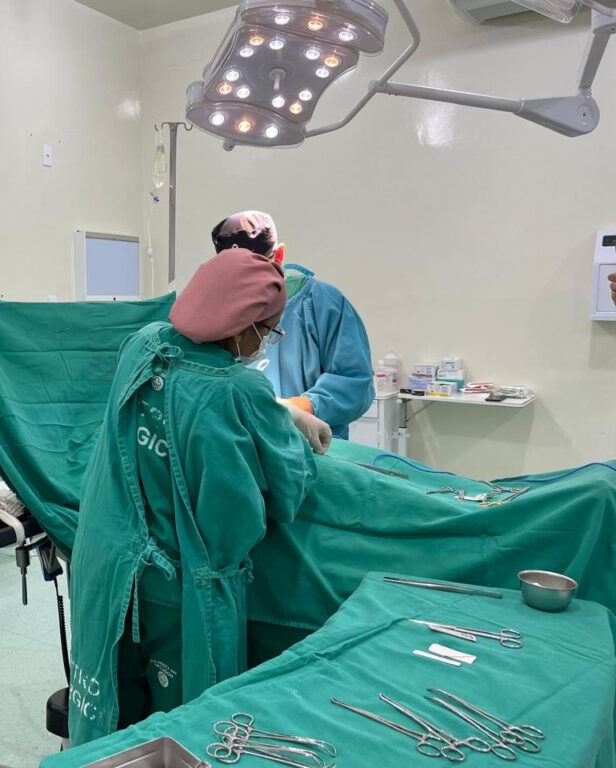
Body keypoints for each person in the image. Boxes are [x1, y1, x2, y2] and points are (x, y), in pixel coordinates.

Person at [66, 248, 317, 746]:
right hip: (177, 588)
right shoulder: (235, 389)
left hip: (108, 564)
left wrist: (276, 412)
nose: (264, 343)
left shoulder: (143, 345)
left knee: (116, 708)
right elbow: (280, 493)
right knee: (186, 730)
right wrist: (294, 433)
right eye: (267, 331)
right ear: (242, 325)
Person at [212, 211, 374, 440]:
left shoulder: (322, 304)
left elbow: (355, 382)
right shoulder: (213, 309)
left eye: (256, 273)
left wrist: (296, 408)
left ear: (279, 256)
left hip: (310, 444)